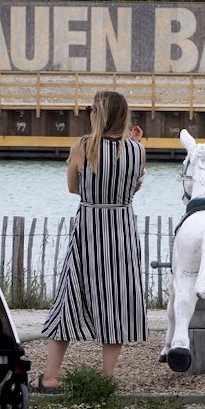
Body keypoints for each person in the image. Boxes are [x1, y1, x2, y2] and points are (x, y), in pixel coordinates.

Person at [35, 90, 147, 390]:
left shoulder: (84, 146)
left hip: (90, 230)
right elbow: (134, 188)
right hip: (122, 231)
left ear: (99, 114)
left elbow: (74, 188)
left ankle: (50, 377)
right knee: (117, 301)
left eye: (91, 109)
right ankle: (106, 379)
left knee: (69, 299)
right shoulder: (138, 151)